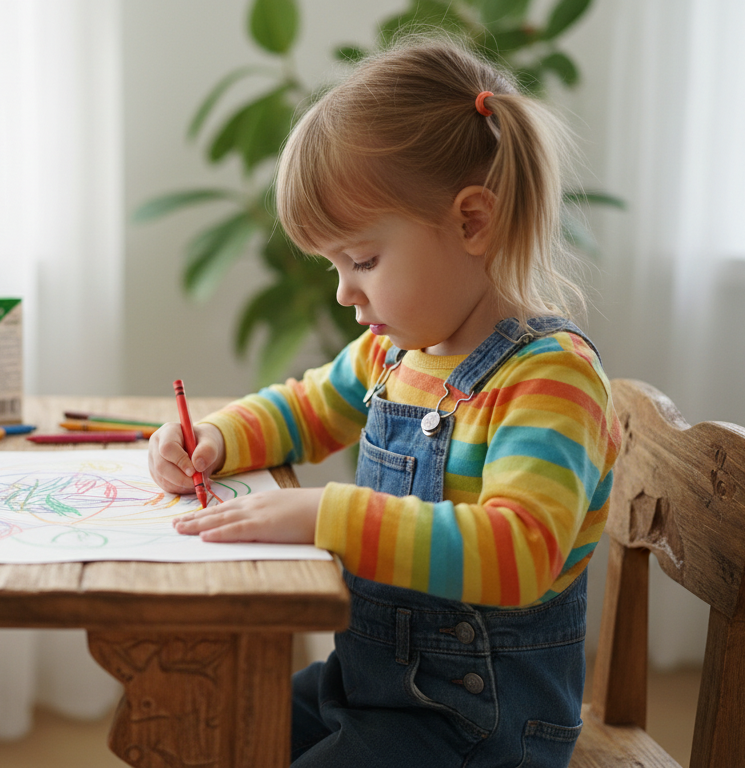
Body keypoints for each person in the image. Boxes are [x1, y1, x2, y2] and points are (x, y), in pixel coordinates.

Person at [148, 37, 622, 768]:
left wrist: (323, 514)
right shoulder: (395, 353)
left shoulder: (551, 382)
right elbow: (308, 406)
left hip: (479, 726)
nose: (344, 292)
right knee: (206, 725)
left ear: (472, 222)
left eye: (363, 260)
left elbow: (519, 552)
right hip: (372, 687)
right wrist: (217, 437)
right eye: (335, 265)